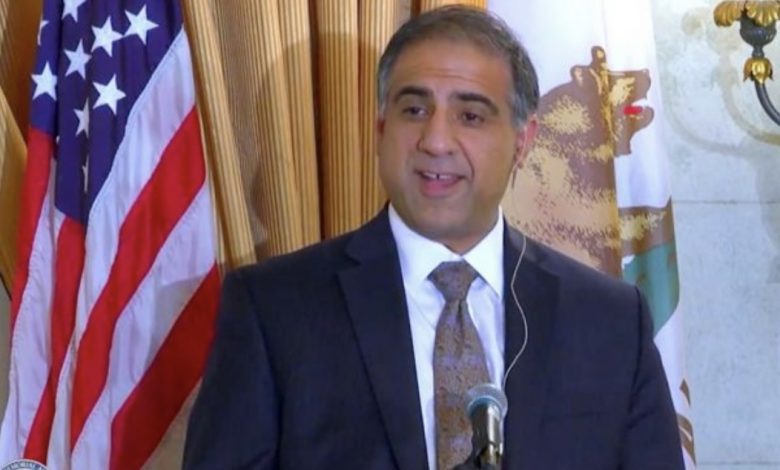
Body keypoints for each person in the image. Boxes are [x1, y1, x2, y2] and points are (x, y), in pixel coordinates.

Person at [182, 6, 684, 470]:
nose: (436, 141)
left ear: (523, 141)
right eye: (414, 111)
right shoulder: (274, 309)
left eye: (470, 116)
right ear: (381, 128)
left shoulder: (610, 321)